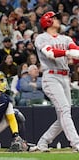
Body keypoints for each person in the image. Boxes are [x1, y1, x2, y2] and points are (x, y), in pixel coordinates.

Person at [34, 11, 79, 152]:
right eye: (53, 18)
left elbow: (76, 52)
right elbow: (50, 54)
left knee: (64, 116)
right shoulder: (41, 38)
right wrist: (67, 53)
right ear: (47, 21)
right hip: (51, 77)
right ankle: (76, 143)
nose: (56, 20)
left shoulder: (65, 39)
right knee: (65, 110)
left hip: (65, 77)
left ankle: (43, 142)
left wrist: (72, 53)